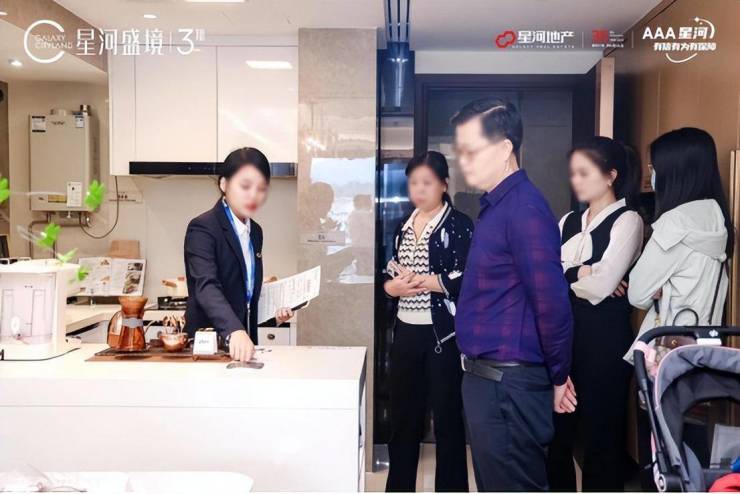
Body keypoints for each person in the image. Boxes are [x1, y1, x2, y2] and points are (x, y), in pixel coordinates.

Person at [451, 98, 574, 491]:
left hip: (508, 385)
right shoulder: (497, 207)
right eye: (460, 152)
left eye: (471, 151)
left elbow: (551, 301)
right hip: (491, 382)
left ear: (505, 148)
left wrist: (559, 375)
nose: (463, 162)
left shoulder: (524, 209)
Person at [624, 128, 733, 488]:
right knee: (692, 454)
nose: (650, 175)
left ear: (675, 171)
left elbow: (637, 292)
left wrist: (656, 289)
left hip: (665, 353)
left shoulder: (674, 223)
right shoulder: (717, 217)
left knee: (661, 453)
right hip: (704, 350)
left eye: (654, 167)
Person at [546, 137, 644, 492]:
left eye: (584, 173)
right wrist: (584, 271)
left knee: (602, 437)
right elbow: (546, 275)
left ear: (611, 175)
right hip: (564, 335)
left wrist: (570, 274)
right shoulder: (568, 220)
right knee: (557, 434)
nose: (576, 180)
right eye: (574, 173)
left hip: (605, 340)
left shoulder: (628, 220)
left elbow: (602, 285)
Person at [383, 151, 474, 492]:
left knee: (447, 421)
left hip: (444, 336)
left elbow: (469, 277)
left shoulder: (460, 224)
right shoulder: (402, 226)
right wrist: (391, 288)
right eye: (413, 183)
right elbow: (387, 273)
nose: (419, 190)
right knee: (403, 420)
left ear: (444, 185)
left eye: (427, 183)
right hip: (406, 333)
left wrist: (427, 282)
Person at [184, 147, 295, 361]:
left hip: (245, 348)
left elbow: (245, 294)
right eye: (245, 186)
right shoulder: (203, 227)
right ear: (224, 184)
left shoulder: (256, 232)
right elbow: (206, 286)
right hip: (210, 347)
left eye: (261, 188)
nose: (254, 195)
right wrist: (234, 330)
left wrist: (274, 315)